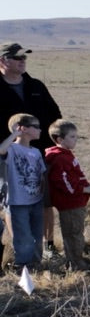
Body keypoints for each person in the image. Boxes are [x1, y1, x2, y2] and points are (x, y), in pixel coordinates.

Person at [0, 42, 62, 260]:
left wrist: (56, 144)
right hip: (6, 156)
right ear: (3, 60)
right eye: (17, 58)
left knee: (43, 199)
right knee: (12, 201)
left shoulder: (36, 86)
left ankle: (48, 245)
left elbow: (55, 115)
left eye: (24, 58)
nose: (22, 61)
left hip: (39, 152)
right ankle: (21, 247)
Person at [44, 120, 90, 270]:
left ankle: (77, 258)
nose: (76, 139)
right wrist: (85, 190)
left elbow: (75, 177)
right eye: (72, 136)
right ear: (60, 139)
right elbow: (65, 183)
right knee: (73, 234)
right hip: (70, 203)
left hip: (76, 202)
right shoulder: (60, 158)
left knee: (76, 232)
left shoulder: (66, 155)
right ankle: (75, 263)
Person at [1, 114, 46, 273]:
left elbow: (41, 176)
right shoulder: (12, 148)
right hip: (18, 202)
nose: (40, 129)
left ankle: (36, 265)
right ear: (24, 128)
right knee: (24, 238)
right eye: (36, 126)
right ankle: (22, 266)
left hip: (36, 200)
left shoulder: (37, 151)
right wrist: (14, 134)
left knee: (37, 236)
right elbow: (1, 150)